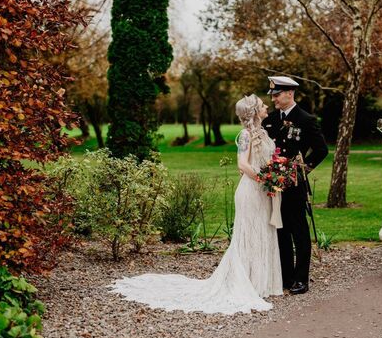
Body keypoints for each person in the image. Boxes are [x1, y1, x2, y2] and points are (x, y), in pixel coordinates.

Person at [109, 95, 283, 314]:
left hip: (263, 193)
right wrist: (264, 178)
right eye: (262, 105)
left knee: (262, 233)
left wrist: (276, 174)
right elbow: (242, 164)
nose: (266, 106)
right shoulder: (246, 135)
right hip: (250, 191)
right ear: (255, 111)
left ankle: (261, 283)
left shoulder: (264, 133)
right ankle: (246, 282)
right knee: (249, 234)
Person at [263, 76, 328, 294]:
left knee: (299, 231)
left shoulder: (306, 119)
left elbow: (321, 150)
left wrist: (301, 170)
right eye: (272, 95)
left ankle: (301, 280)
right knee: (280, 231)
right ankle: (286, 276)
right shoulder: (269, 120)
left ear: (290, 93)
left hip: (295, 185)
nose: (273, 99)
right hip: (274, 186)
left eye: (277, 94)